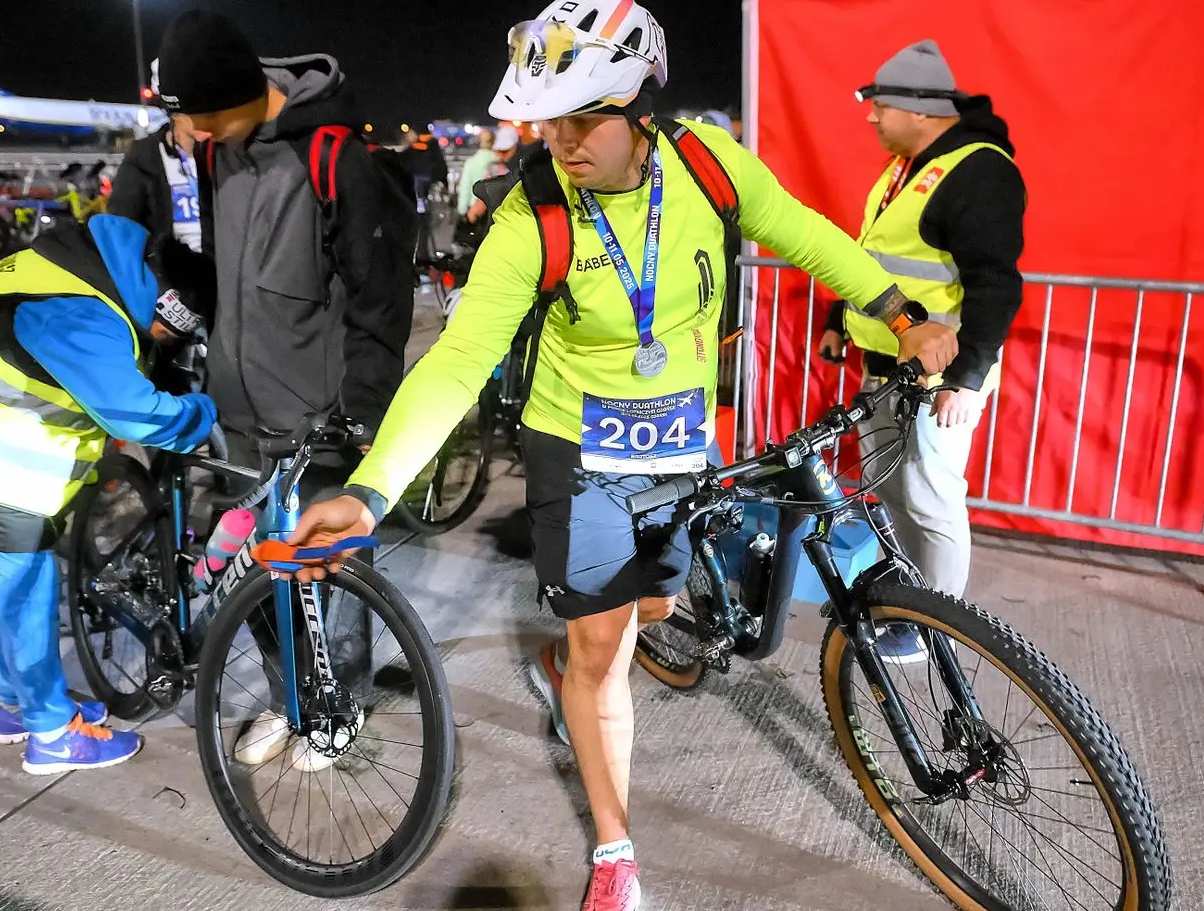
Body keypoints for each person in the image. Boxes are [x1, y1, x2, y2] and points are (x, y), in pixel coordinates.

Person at [281, 2, 957, 906]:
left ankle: (572, 667)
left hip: (682, 445)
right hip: (581, 458)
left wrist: (903, 313)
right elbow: (458, 360)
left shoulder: (709, 166)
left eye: (583, 117)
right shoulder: (534, 216)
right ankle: (613, 851)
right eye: (548, 120)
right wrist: (370, 491)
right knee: (604, 652)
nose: (560, 140)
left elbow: (807, 235)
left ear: (640, 106)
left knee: (656, 608)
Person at [0, 214, 216, 774]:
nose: (164, 347)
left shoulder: (70, 267)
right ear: (166, 307)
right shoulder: (85, 313)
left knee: (15, 591)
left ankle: (18, 707)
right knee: (27, 592)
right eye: (171, 335)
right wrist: (200, 413)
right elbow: (134, 414)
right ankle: (51, 734)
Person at [156, 10, 412, 771]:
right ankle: (286, 695)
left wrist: (362, 414)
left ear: (245, 88)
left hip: (317, 418)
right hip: (239, 414)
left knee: (331, 577)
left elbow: (378, 301)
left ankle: (341, 703)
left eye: (206, 114)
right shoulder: (220, 154)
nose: (195, 132)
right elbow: (224, 273)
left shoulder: (335, 158)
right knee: (259, 572)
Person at [817, 40, 1026, 661]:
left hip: (938, 378)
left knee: (932, 501)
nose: (871, 117)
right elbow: (871, 257)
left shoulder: (978, 171)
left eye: (880, 106)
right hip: (888, 368)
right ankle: (907, 607)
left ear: (919, 109)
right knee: (895, 495)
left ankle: (939, 630)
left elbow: (995, 284)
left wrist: (966, 378)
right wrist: (838, 319)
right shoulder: (906, 168)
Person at [109, 58, 216, 343]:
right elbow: (121, 230)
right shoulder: (144, 156)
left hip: (221, 285)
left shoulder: (226, 154)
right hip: (167, 289)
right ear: (172, 110)